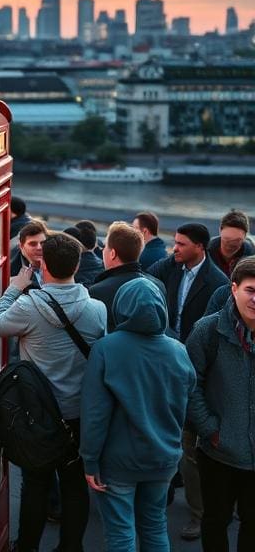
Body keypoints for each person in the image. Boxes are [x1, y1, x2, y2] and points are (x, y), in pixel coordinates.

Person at [0, 232, 107, 552]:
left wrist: (15, 287)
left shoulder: (28, 306)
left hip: (37, 415)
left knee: (35, 486)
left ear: (42, 265)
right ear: (77, 264)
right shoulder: (97, 309)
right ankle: (71, 547)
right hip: (79, 414)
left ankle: (27, 546)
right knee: (73, 487)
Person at [80, 278, 196, 551]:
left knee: (121, 535)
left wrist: (90, 461)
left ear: (121, 307)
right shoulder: (179, 351)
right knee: (155, 527)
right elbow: (187, 401)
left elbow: (95, 413)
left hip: (118, 461)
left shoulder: (106, 349)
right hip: (163, 459)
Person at [147, 221, 229, 540]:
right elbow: (149, 274)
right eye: (174, 242)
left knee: (190, 443)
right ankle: (165, 492)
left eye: (181, 244)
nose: (174, 248)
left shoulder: (217, 282)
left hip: (195, 364)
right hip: (167, 356)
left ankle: (198, 514)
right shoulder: (172, 266)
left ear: (200, 247)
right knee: (166, 431)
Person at [186, 256, 255, 551]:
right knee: (215, 521)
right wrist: (212, 429)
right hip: (219, 452)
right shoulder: (208, 331)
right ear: (234, 288)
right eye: (251, 290)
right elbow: (189, 385)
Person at [88, 221, 164, 333]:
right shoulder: (158, 286)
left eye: (104, 247)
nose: (103, 250)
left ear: (112, 253)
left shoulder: (98, 291)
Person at [207, 209, 255, 278]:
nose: (230, 245)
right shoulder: (205, 252)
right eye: (227, 239)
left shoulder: (251, 255)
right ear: (220, 231)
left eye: (237, 240)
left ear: (245, 236)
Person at [9, 220, 49, 285]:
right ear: (21, 246)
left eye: (43, 243)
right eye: (33, 244)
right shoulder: (11, 272)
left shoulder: (57, 260)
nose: (39, 247)